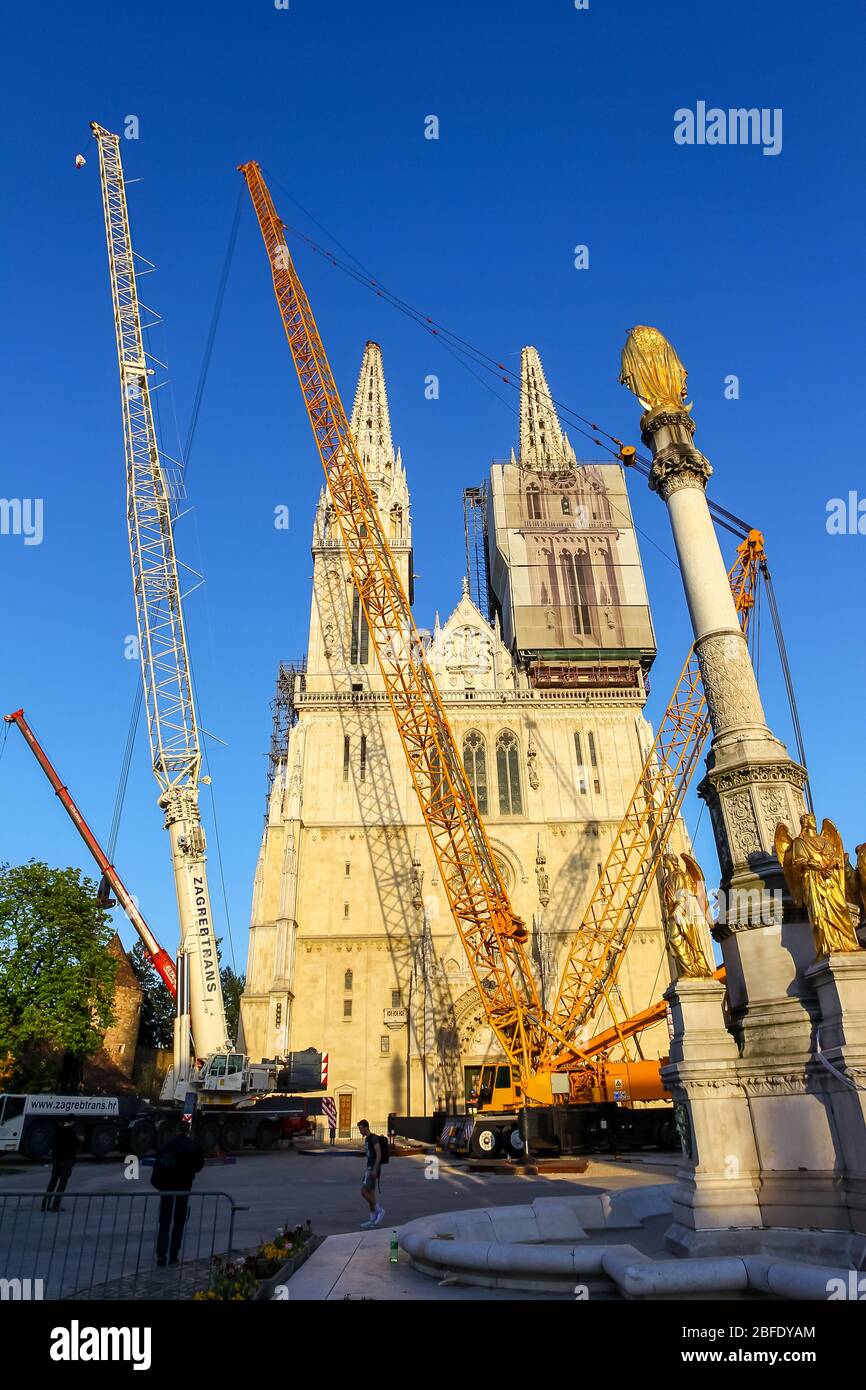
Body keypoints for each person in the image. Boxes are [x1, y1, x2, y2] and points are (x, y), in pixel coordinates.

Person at [152, 1114, 204, 1267]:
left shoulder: (169, 1144)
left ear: (176, 1130)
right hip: (184, 1187)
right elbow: (198, 1166)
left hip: (167, 1187)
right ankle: (174, 1254)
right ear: (188, 1131)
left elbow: (159, 1164)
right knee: (179, 1222)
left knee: (165, 1222)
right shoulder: (193, 1146)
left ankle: (161, 1255)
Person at [41, 1117, 79, 1212]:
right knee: (62, 1183)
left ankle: (44, 1204)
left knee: (52, 1182)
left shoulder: (57, 1130)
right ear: (72, 1122)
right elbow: (74, 1146)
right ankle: (55, 1205)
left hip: (57, 1159)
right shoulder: (71, 1132)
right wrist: (79, 1140)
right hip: (66, 1160)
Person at [357, 1119, 385, 1229]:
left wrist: (375, 1169)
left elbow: (379, 1154)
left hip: (372, 1169)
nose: (360, 1131)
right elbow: (370, 1152)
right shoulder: (367, 1139)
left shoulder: (373, 1138)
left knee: (364, 1192)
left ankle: (380, 1210)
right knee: (370, 1193)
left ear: (365, 1128)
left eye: (360, 1129)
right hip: (369, 1168)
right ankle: (372, 1220)